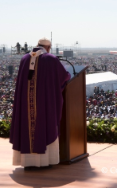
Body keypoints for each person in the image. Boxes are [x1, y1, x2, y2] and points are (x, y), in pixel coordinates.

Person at [10, 37, 71, 169]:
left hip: (26, 104)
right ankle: (44, 162)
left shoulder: (25, 59)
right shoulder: (51, 59)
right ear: (48, 47)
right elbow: (64, 76)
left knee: (27, 125)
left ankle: (27, 162)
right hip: (44, 103)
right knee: (45, 125)